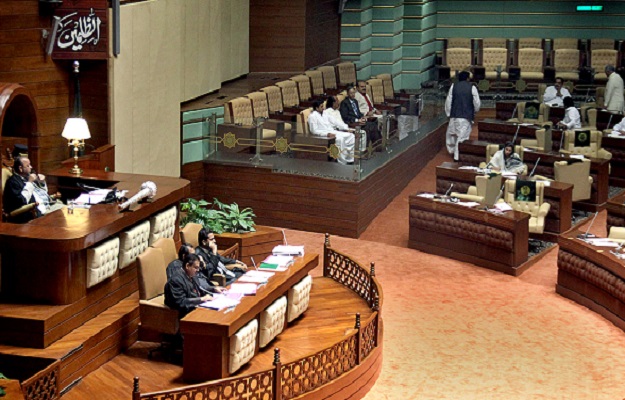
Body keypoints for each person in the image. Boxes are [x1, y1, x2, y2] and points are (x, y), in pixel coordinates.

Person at [445, 71, 481, 161]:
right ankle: (457, 157)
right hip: (466, 116)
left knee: (452, 135)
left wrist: (448, 113)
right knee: (462, 137)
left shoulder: (453, 86)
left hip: (454, 115)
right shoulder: (472, 87)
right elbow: (477, 103)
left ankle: (453, 152)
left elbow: (448, 101)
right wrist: (475, 111)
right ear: (468, 78)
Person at [164, 253, 212, 319]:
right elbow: (181, 302)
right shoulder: (176, 281)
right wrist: (201, 299)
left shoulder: (192, 276)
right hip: (183, 315)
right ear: (187, 266)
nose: (198, 270)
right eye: (196, 268)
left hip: (197, 308)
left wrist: (214, 289)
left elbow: (200, 289)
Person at [309, 100, 356, 165]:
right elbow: (314, 130)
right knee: (341, 139)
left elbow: (335, 121)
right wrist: (327, 134)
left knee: (351, 136)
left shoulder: (325, 113)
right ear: (316, 108)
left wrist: (346, 128)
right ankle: (342, 162)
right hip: (324, 135)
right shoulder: (312, 116)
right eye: (321, 107)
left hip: (332, 131)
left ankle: (350, 158)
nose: (323, 108)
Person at [3, 156, 40, 223]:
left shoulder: (25, 178)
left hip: (37, 210)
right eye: (28, 166)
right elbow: (22, 201)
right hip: (24, 217)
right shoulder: (12, 182)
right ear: (20, 168)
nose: (31, 167)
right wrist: (29, 182)